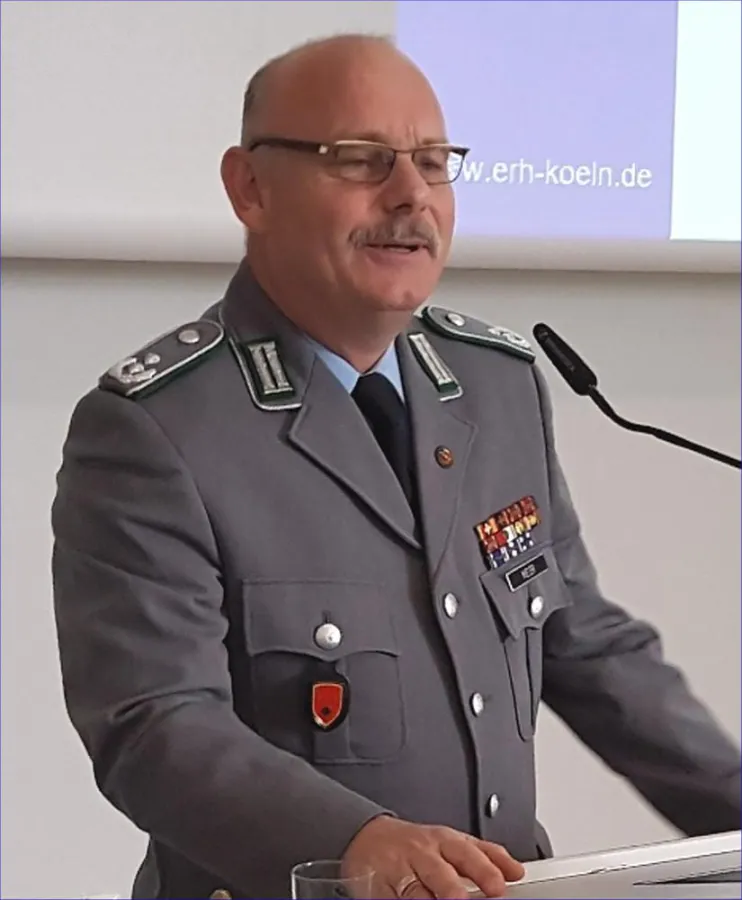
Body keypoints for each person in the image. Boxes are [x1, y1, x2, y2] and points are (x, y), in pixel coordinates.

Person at [51, 33, 740, 900]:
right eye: (362, 159)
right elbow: (153, 726)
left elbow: (587, 647)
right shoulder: (156, 431)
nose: (411, 193)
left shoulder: (495, 385)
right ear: (249, 187)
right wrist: (353, 841)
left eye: (433, 161)